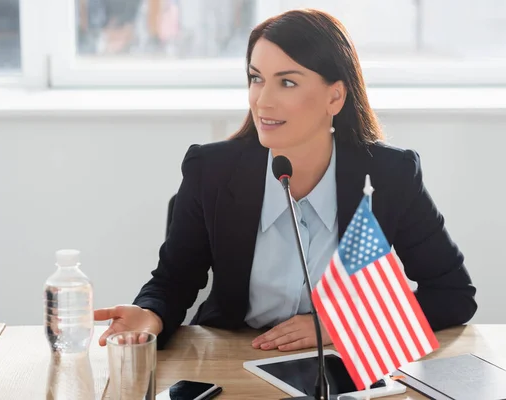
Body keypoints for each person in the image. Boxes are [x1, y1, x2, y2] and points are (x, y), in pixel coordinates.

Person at [94, 9, 477, 351]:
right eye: (257, 78)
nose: (262, 100)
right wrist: (150, 315)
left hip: (340, 364)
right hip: (238, 357)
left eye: (287, 82)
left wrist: (342, 324)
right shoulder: (210, 170)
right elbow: (173, 281)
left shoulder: (389, 176)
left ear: (335, 97)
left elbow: (453, 294)